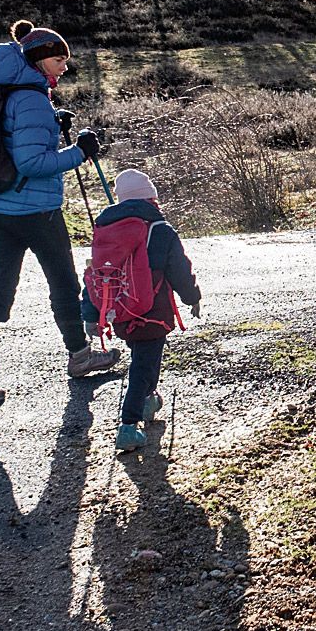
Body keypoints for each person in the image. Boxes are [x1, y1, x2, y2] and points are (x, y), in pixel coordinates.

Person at [0, 21, 119, 405]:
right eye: (58, 58)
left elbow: (20, 137)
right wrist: (79, 151)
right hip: (35, 210)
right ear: (37, 59)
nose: (64, 66)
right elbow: (33, 162)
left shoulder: (7, 89)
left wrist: (52, 121)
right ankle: (80, 357)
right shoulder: (30, 97)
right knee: (63, 286)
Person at [79, 169, 200, 452]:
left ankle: (148, 400)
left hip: (119, 310)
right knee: (143, 363)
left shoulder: (108, 230)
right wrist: (192, 297)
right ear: (152, 199)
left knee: (145, 356)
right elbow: (179, 269)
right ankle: (128, 425)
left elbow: (96, 272)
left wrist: (90, 314)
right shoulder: (160, 230)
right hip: (152, 309)